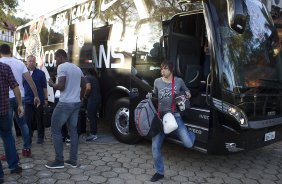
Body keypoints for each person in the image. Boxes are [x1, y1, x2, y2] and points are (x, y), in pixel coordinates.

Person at [149, 60, 195, 182]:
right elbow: (154, 95)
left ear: (171, 69)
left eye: (165, 69)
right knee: (155, 148)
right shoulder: (157, 81)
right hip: (161, 117)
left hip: (175, 116)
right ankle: (160, 172)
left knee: (189, 144)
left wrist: (187, 94)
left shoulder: (178, 81)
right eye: (161, 69)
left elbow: (187, 92)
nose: (162, 71)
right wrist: (150, 96)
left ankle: (191, 133)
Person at [45, 49, 85, 169]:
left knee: (55, 129)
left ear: (61, 57)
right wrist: (81, 98)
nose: (56, 61)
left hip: (65, 103)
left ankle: (59, 160)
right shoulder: (77, 68)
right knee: (73, 131)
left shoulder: (62, 67)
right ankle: (72, 160)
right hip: (76, 103)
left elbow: (61, 86)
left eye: (56, 58)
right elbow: (84, 85)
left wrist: (52, 85)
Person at [0, 44, 40, 157]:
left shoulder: (1, 63)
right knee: (23, 123)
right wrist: (36, 95)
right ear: (10, 52)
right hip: (20, 97)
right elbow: (30, 81)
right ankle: (27, 149)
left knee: (8, 127)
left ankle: (10, 153)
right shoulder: (20, 63)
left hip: (5, 98)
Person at [0, 62, 23, 183]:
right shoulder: (5, 67)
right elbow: (15, 86)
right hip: (4, 110)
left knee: (8, 135)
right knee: (7, 136)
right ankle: (14, 166)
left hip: (4, 110)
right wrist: (19, 104)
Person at [23, 55, 48, 144]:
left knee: (39, 119)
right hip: (28, 100)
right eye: (29, 61)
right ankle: (28, 137)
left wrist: (45, 99)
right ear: (26, 62)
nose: (31, 63)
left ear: (35, 62)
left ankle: (40, 137)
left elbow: (44, 87)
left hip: (39, 100)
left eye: (33, 61)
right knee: (28, 120)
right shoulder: (23, 73)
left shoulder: (41, 73)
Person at [84, 68, 101, 141]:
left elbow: (88, 88)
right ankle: (93, 132)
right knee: (93, 116)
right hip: (98, 99)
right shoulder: (94, 78)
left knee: (91, 116)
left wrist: (85, 95)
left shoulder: (87, 77)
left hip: (92, 99)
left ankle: (93, 134)